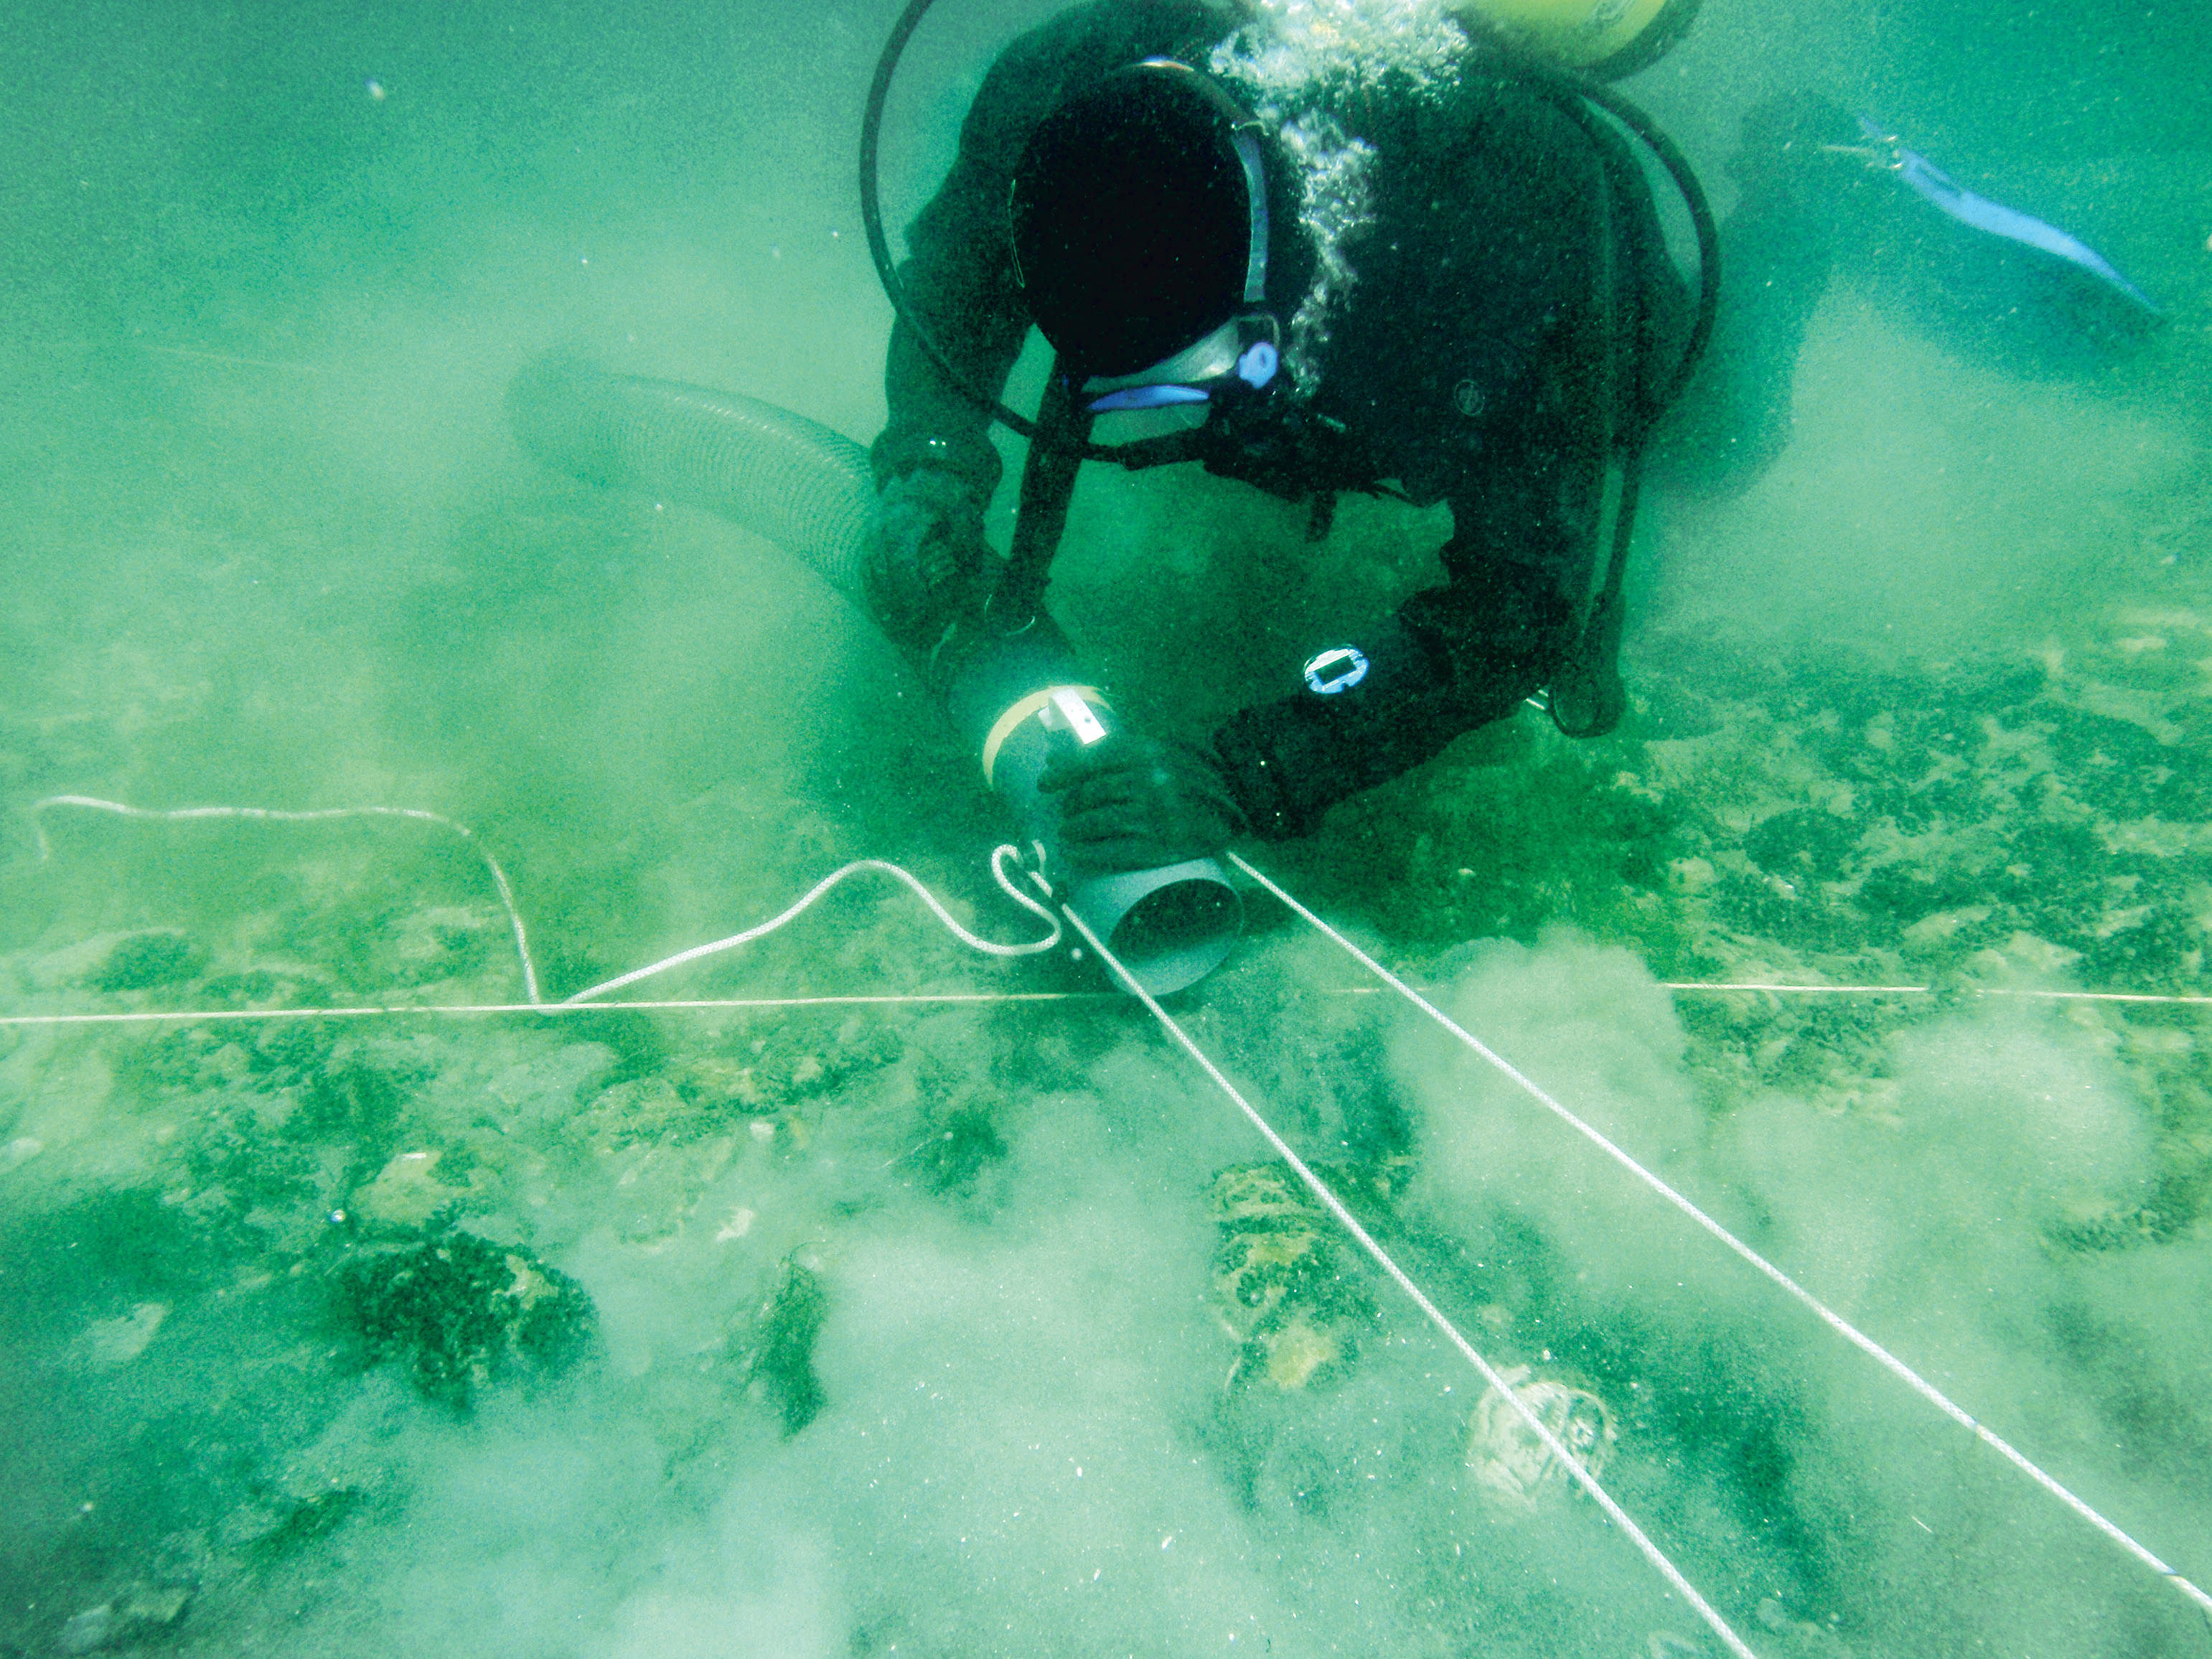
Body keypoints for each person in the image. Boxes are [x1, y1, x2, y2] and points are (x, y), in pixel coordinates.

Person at [863, 0, 2158, 879]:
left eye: (1213, 377)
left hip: (1518, 325)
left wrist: (1247, 765)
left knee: (1711, 450)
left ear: (1293, 287)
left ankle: (1809, 187)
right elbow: (953, 279)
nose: (1167, 429)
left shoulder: (1517, 239)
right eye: (1122, 384)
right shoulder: (1056, 90)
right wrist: (927, 459)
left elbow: (1524, 606)